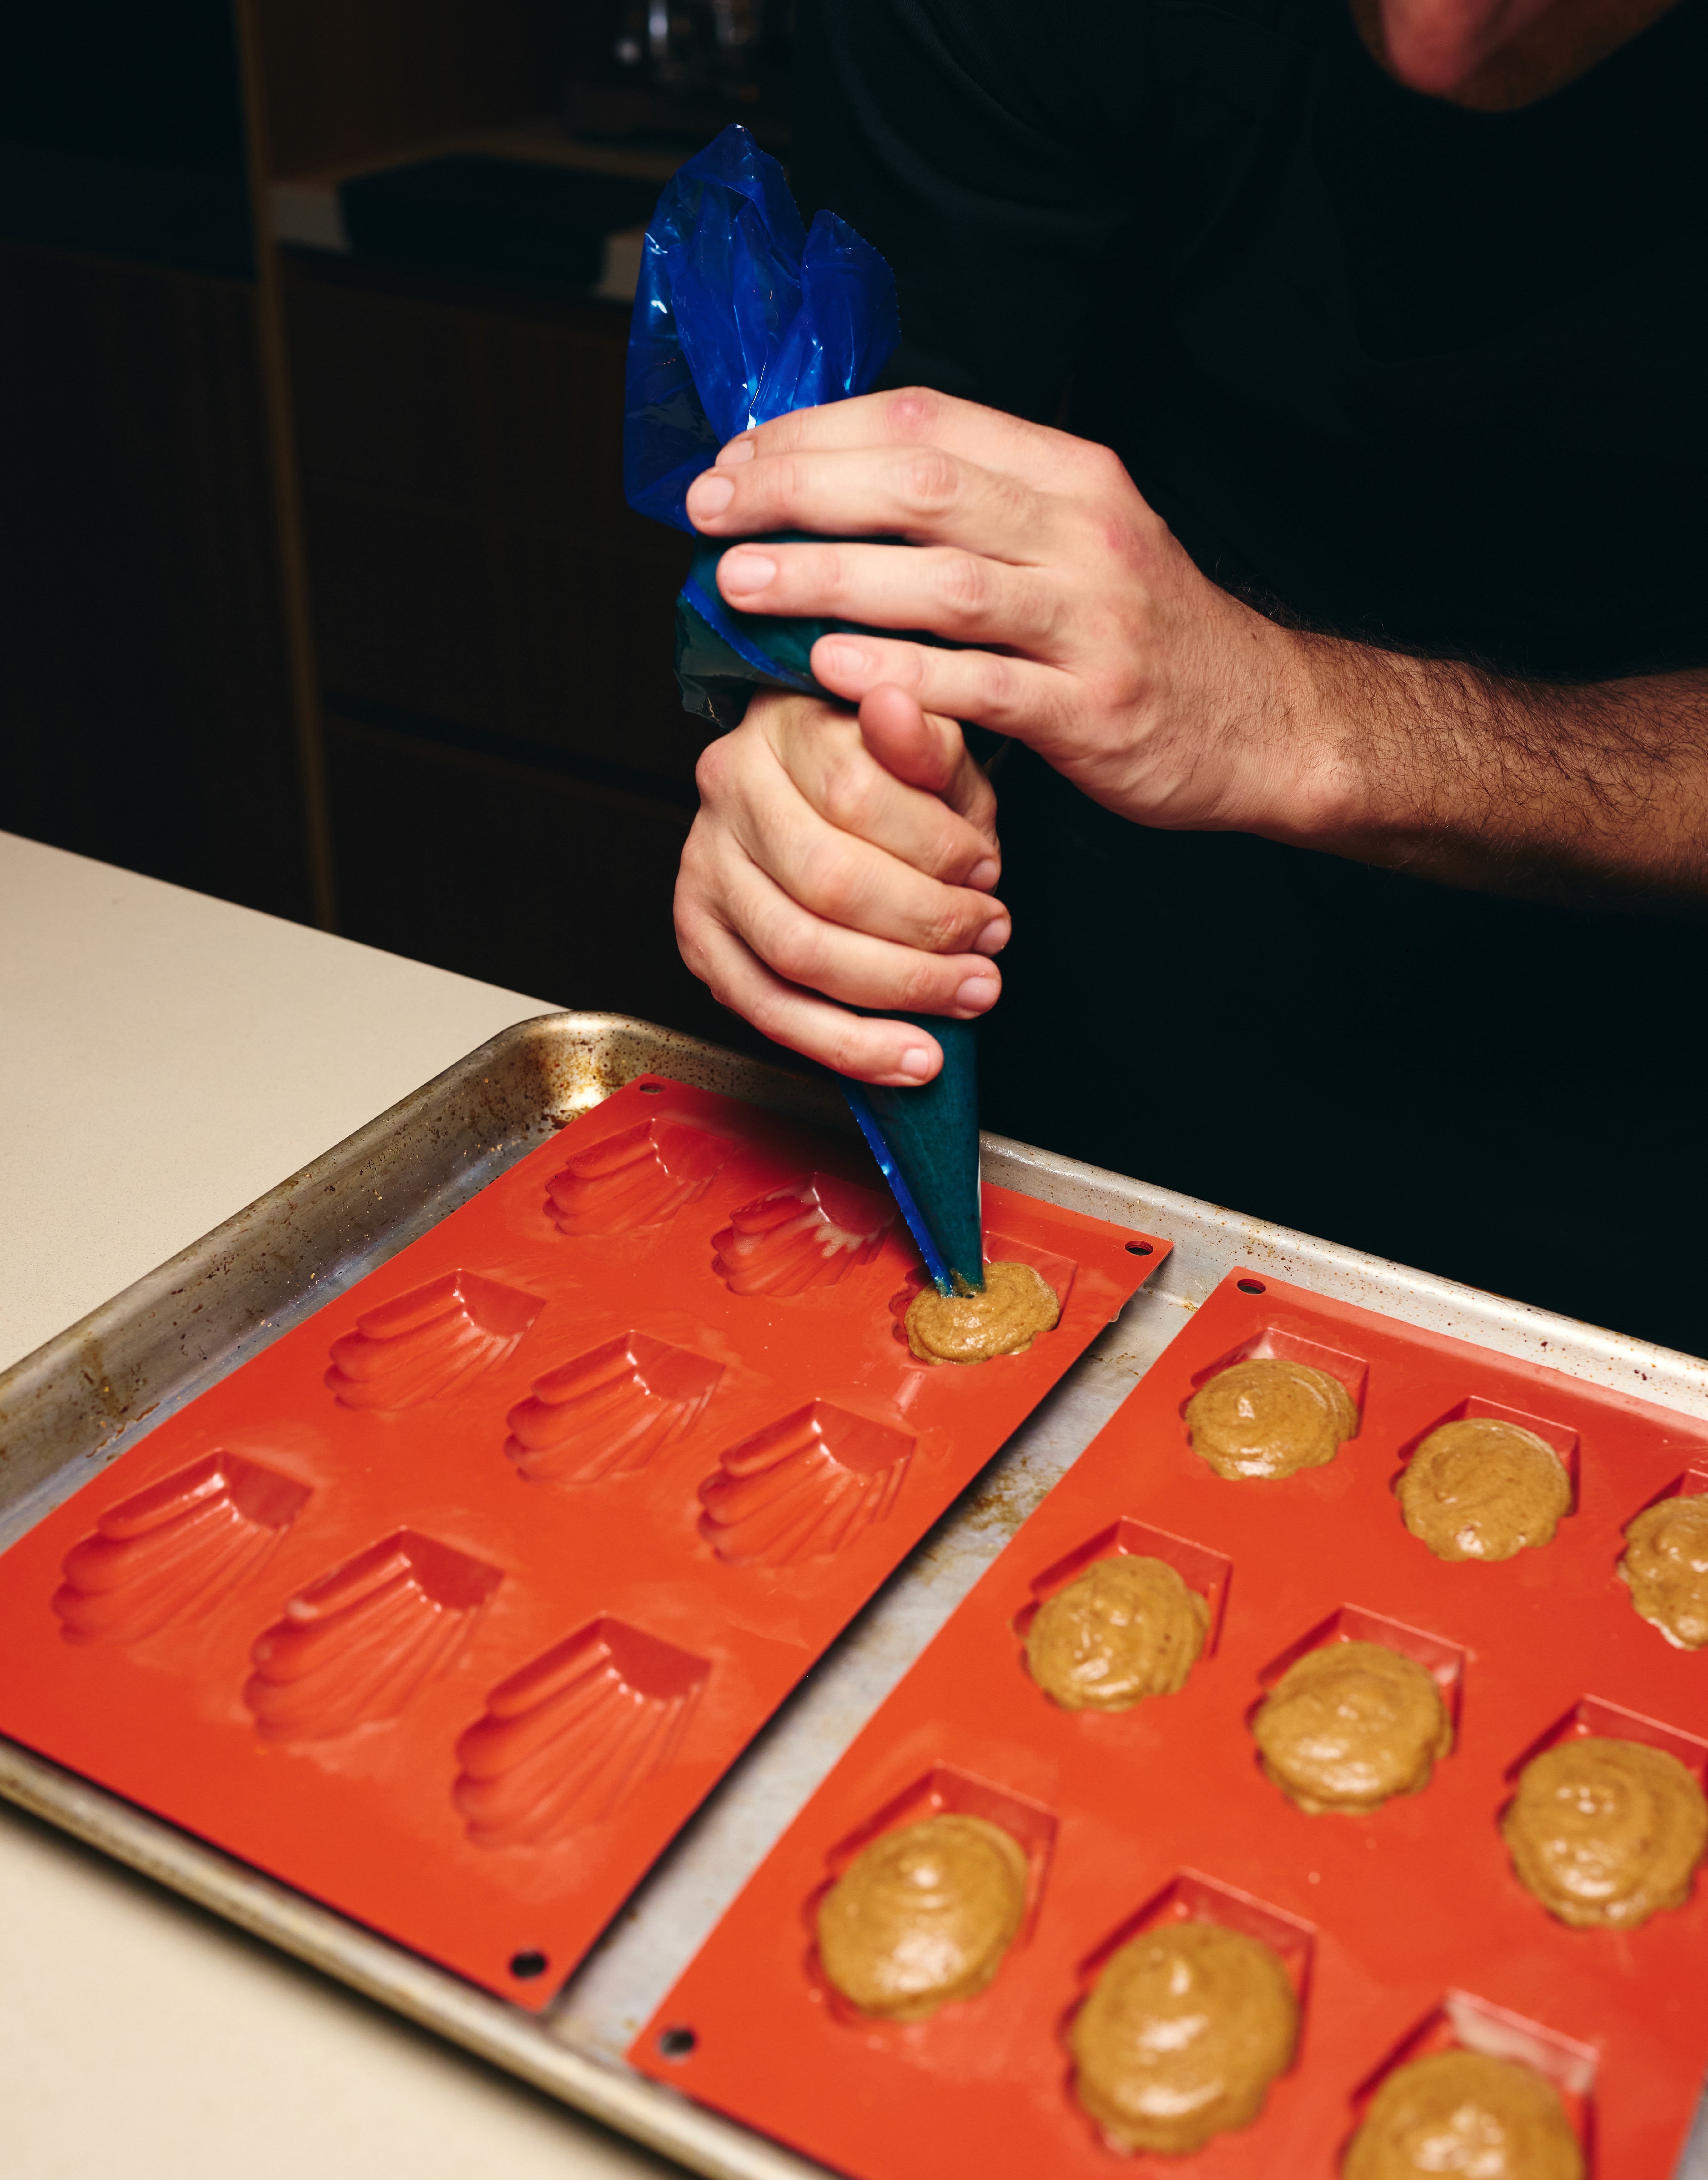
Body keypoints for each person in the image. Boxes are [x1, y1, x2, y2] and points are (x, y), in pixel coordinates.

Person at [670, 0, 1708, 1352]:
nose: (1432, 40)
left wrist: (1304, 721)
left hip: (1654, 1127)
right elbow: (904, 464)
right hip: (1107, 1046)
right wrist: (826, 746)